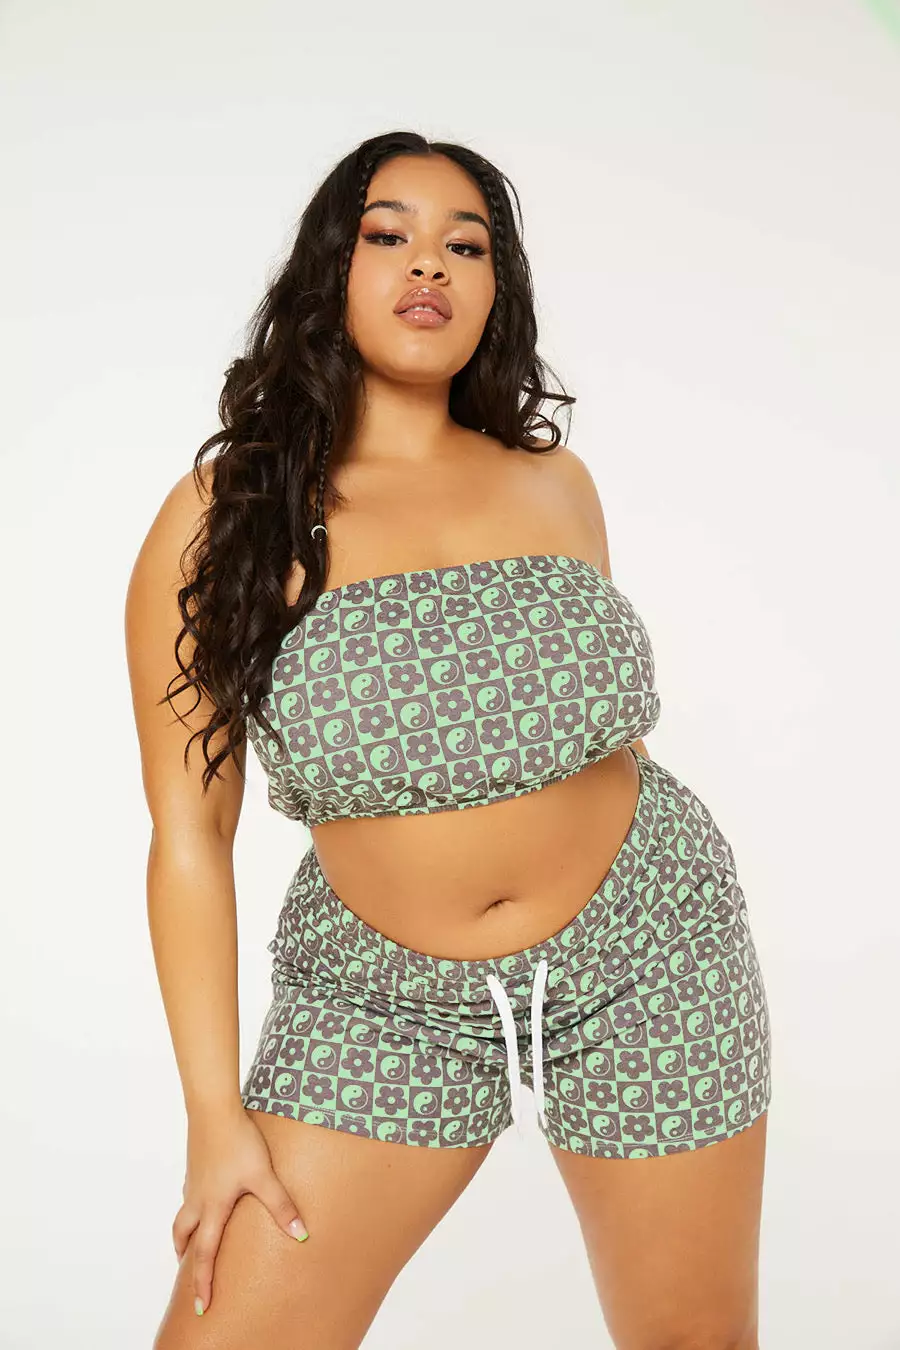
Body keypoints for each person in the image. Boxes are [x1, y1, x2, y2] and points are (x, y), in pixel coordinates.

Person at [126, 129, 772, 1349]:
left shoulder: (555, 484)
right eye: (390, 235)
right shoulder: (227, 517)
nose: (430, 263)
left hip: (649, 949)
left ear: (494, 289)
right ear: (332, 269)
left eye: (466, 246)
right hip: (382, 998)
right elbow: (188, 835)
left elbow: (586, 729)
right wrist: (214, 1117)